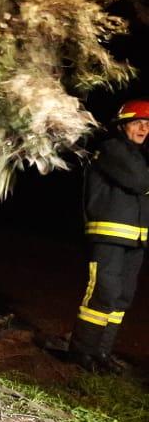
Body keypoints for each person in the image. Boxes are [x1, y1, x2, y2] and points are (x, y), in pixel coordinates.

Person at [68, 98, 149, 372]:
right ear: (122, 125)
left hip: (135, 240)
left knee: (122, 298)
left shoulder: (138, 156)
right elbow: (140, 182)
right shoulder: (112, 149)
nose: (143, 128)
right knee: (103, 294)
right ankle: (81, 352)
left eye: (147, 124)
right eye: (137, 122)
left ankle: (102, 353)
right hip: (109, 237)